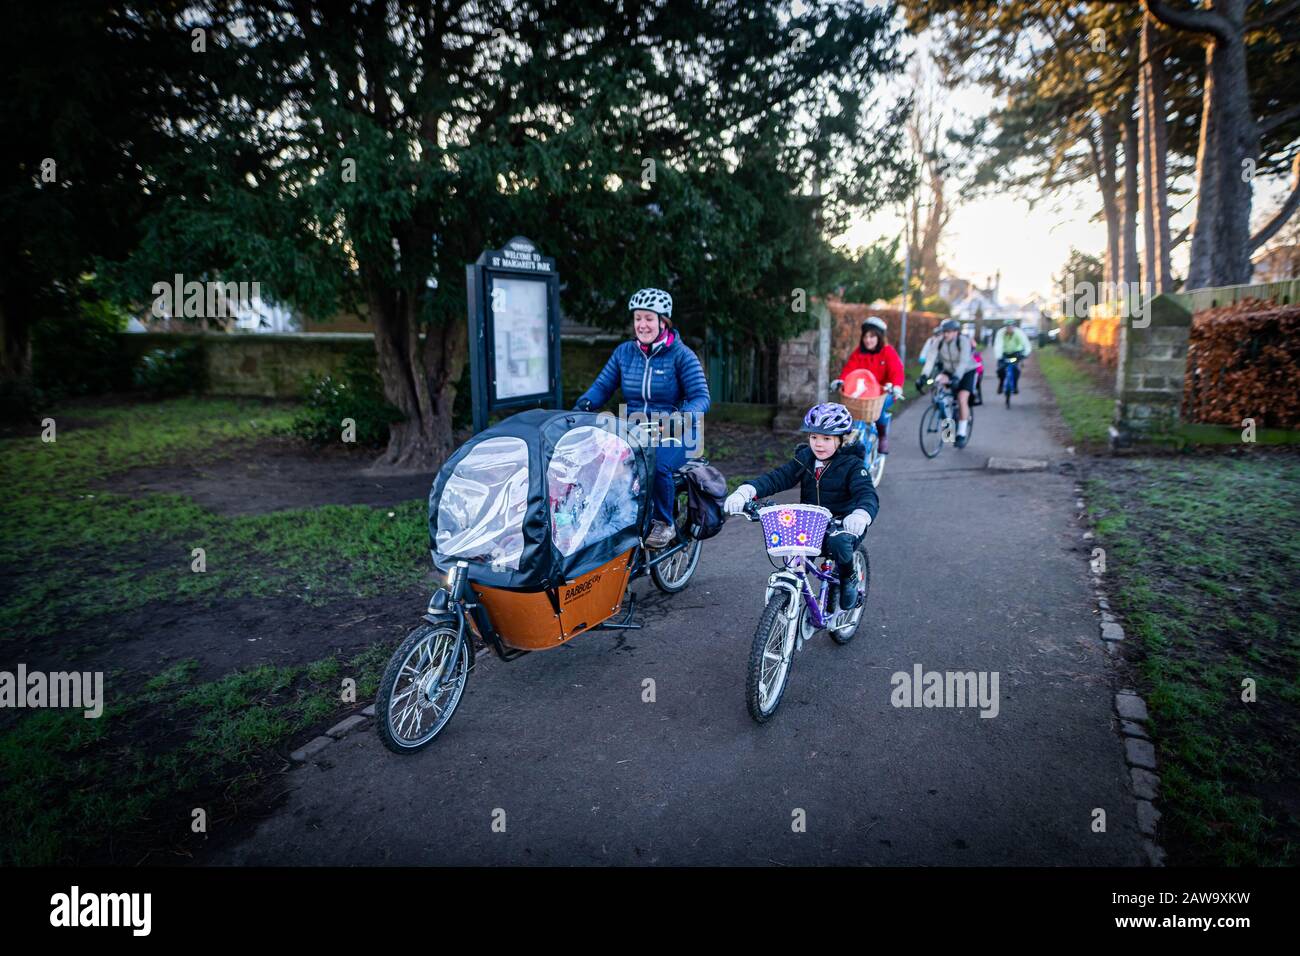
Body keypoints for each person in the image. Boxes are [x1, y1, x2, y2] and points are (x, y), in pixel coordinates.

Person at [575, 288, 710, 549]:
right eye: (638, 318)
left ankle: (664, 522)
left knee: (655, 464)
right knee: (602, 461)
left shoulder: (682, 355)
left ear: (663, 322)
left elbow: (701, 398)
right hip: (635, 426)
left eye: (649, 318)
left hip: (678, 430)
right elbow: (602, 387)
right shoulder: (624, 353)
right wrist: (582, 407)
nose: (642, 325)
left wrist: (680, 419)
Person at [722, 402, 878, 609]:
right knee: (791, 550)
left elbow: (867, 494)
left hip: (844, 524)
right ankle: (791, 598)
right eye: (814, 437)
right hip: (813, 523)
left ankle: (848, 577)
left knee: (840, 545)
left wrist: (860, 514)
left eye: (826, 438)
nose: (818, 444)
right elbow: (778, 478)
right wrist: (746, 491)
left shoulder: (853, 465)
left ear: (842, 440)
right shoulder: (806, 459)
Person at [830, 316, 905, 454]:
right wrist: (841, 381)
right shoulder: (858, 353)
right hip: (862, 393)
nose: (868, 340)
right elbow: (849, 370)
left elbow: (897, 372)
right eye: (865, 336)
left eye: (872, 336)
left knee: (880, 406)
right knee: (851, 412)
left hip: (884, 392)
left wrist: (896, 386)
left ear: (879, 338)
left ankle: (882, 437)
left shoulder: (888, 352)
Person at [918, 318, 977, 448]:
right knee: (941, 396)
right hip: (949, 371)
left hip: (967, 371)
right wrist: (923, 376)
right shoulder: (939, 342)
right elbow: (931, 359)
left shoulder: (963, 341)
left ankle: (961, 433)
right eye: (944, 332)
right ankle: (948, 432)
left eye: (949, 332)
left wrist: (957, 378)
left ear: (956, 332)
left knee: (962, 399)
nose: (946, 335)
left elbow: (964, 361)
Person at [993, 318, 1033, 394]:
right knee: (1000, 370)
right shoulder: (1000, 333)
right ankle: (1001, 384)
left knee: (1016, 370)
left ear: (1014, 326)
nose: (1009, 328)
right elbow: (998, 345)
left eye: (1011, 326)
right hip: (1004, 353)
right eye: (1007, 327)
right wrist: (999, 356)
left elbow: (1025, 344)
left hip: (1016, 353)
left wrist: (1024, 354)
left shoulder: (1019, 333)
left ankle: (1015, 386)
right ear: (1005, 327)